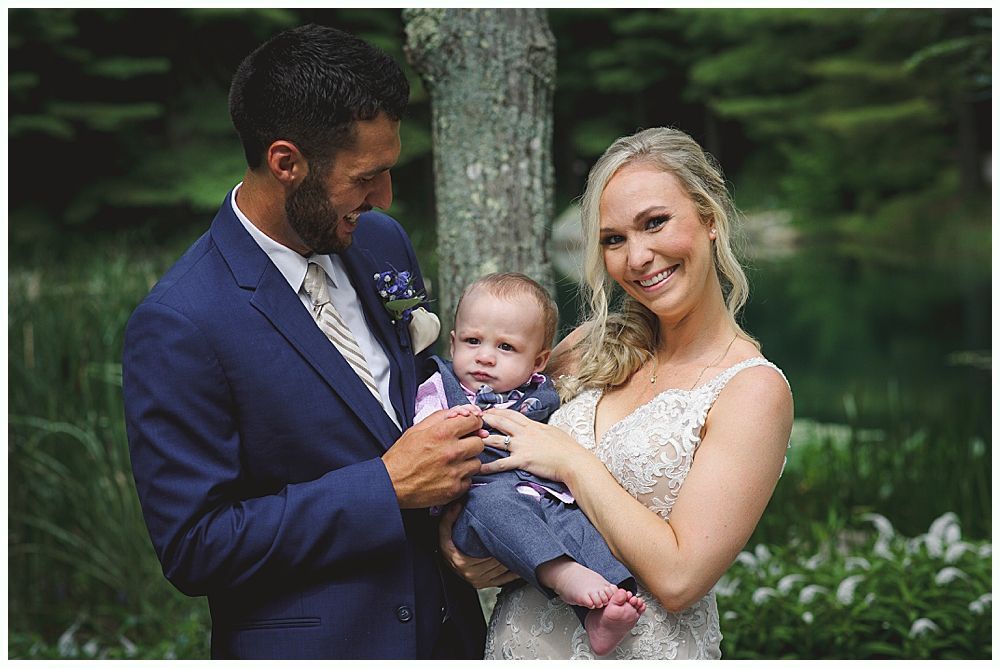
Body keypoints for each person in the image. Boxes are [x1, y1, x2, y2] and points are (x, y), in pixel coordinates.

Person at [122, 24, 488, 659]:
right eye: (367, 177)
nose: (384, 198)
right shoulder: (180, 322)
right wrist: (384, 487)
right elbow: (195, 547)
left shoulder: (381, 242)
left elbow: (416, 393)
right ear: (285, 162)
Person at [440, 127, 794, 659]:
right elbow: (498, 467)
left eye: (655, 223)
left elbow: (679, 579)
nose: (638, 257)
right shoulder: (588, 347)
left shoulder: (752, 389)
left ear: (710, 218)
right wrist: (459, 545)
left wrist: (572, 463)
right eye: (613, 239)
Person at [414, 272, 646, 656]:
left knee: (574, 519)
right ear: (452, 343)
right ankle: (563, 574)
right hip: (475, 504)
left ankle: (607, 606)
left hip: (538, 492)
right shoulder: (440, 388)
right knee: (496, 506)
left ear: (538, 361)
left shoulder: (541, 392)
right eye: (472, 341)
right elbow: (424, 442)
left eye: (506, 347)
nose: (485, 356)